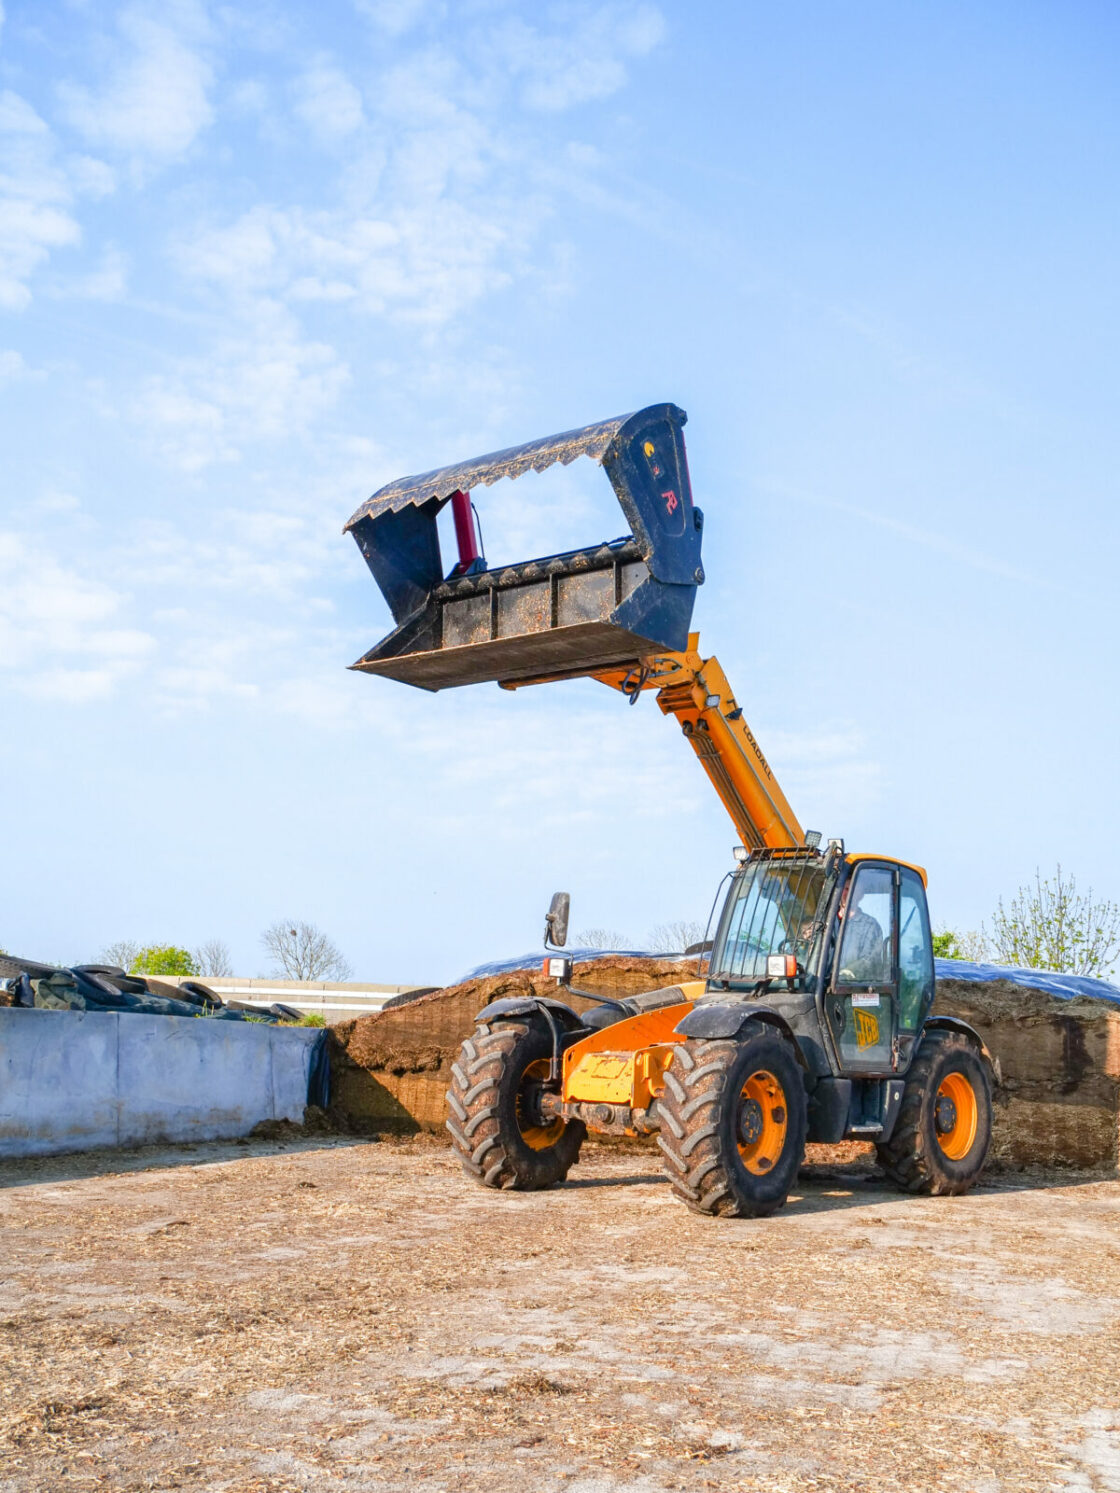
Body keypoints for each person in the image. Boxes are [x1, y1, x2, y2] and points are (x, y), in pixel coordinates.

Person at [838, 891, 889, 982]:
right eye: (845, 889)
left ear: (860, 895)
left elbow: (870, 957)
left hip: (853, 987)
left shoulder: (870, 925)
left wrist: (848, 971)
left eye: (852, 889)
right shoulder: (828, 923)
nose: (848, 893)